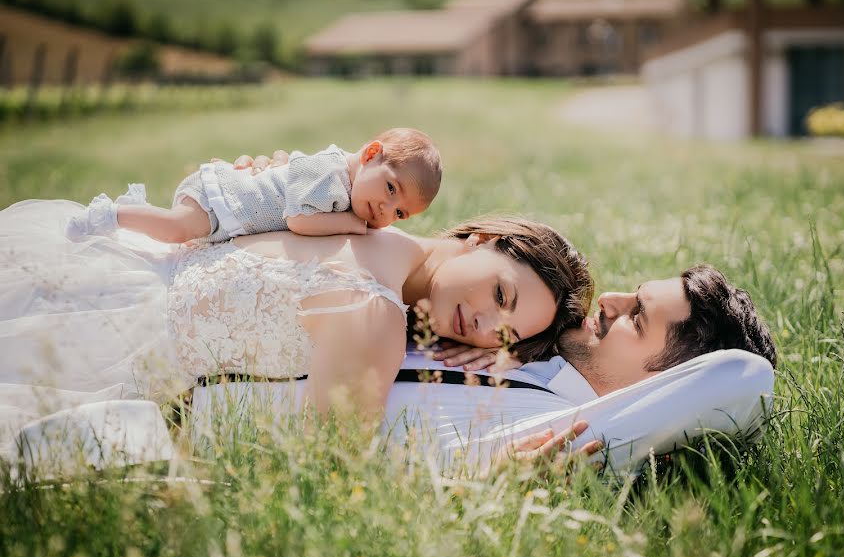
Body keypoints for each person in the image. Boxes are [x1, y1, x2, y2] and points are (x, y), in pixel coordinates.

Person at [0, 191, 593, 450]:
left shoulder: (356, 235)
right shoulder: (370, 296)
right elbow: (324, 471)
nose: (484, 321)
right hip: (97, 285)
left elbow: (323, 460)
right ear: (483, 239)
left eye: (503, 332)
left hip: (103, 314)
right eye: (501, 293)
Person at [191, 265, 777, 478]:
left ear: (671, 386)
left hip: (186, 429)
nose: (613, 298)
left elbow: (746, 379)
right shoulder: (520, 330)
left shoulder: (558, 438)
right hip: (192, 336)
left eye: (638, 316)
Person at [64, 128, 443, 243]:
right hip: (224, 199)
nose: (385, 211)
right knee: (178, 229)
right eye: (391, 189)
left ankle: (130, 217)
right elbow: (298, 219)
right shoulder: (331, 175)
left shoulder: (347, 184)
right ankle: (113, 214)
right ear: (371, 154)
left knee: (173, 232)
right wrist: (350, 225)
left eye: (400, 213)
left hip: (231, 206)